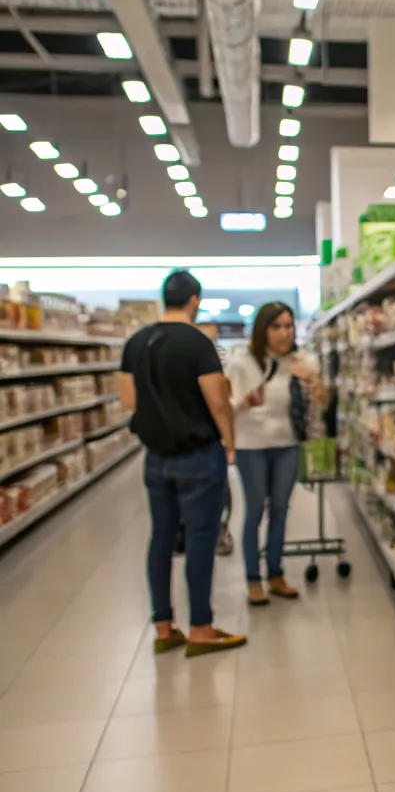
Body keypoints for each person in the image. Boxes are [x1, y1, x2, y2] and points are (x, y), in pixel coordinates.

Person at [117, 270, 247, 658]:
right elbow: (217, 401)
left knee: (161, 538)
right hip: (198, 453)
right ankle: (202, 629)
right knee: (201, 539)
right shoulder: (198, 343)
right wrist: (229, 442)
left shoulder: (137, 342)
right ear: (195, 300)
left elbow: (128, 400)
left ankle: (163, 627)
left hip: (156, 457)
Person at [227, 301, 312, 606]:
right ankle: (253, 578)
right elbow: (226, 407)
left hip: (286, 444)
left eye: (288, 326)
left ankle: (275, 574)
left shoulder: (299, 362)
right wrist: (245, 403)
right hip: (251, 446)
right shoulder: (241, 363)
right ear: (262, 330)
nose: (283, 333)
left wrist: (312, 381)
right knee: (254, 510)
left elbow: (320, 403)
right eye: (276, 326)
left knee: (280, 509)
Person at [196, 322, 234, 557]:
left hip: (211, 435)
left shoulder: (220, 357)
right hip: (203, 435)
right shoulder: (197, 356)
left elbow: (226, 396)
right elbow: (220, 401)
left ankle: (220, 528)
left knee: (220, 487)